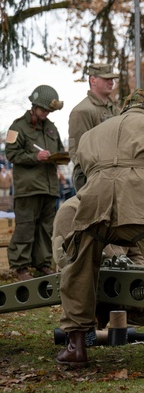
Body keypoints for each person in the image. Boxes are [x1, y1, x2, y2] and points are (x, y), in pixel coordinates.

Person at [55, 81, 144, 368]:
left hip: (95, 203)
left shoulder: (93, 134)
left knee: (78, 267)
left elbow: (80, 179)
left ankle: (76, 346)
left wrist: (91, 202)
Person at [5, 85, 66, 281]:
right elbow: (11, 153)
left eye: (50, 111)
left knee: (45, 229)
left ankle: (43, 264)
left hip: (49, 188)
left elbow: (60, 149)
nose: (47, 113)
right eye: (45, 109)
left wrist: (61, 157)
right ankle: (20, 267)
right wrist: (35, 156)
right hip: (28, 188)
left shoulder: (51, 127)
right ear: (35, 106)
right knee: (25, 227)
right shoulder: (17, 126)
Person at [67, 62, 120, 162]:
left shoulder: (115, 109)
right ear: (92, 80)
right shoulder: (82, 111)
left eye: (112, 79)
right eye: (106, 79)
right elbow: (78, 154)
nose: (111, 82)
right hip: (97, 175)